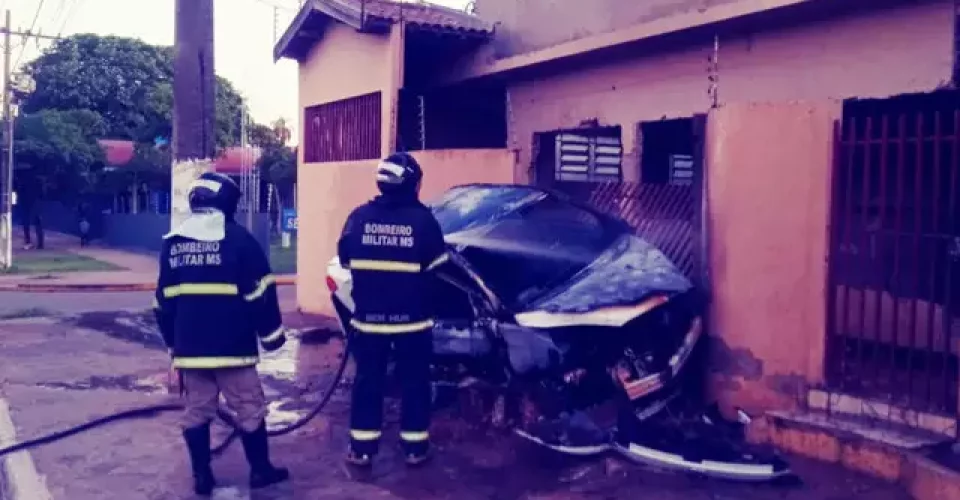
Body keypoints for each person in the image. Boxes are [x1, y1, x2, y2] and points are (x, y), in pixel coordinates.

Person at [153, 171, 290, 496]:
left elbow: (162, 303)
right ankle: (260, 471)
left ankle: (202, 476)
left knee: (198, 409)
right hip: (234, 349)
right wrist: (273, 337)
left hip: (191, 350)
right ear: (228, 202)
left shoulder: (172, 244)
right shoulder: (240, 240)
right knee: (249, 407)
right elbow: (261, 294)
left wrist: (174, 346)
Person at [337, 152, 447, 468]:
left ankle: (361, 450)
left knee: (368, 382)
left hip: (368, 323)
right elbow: (438, 271)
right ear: (412, 182)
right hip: (413, 324)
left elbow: (345, 261)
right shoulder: (424, 221)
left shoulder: (357, 218)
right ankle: (414, 449)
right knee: (414, 383)